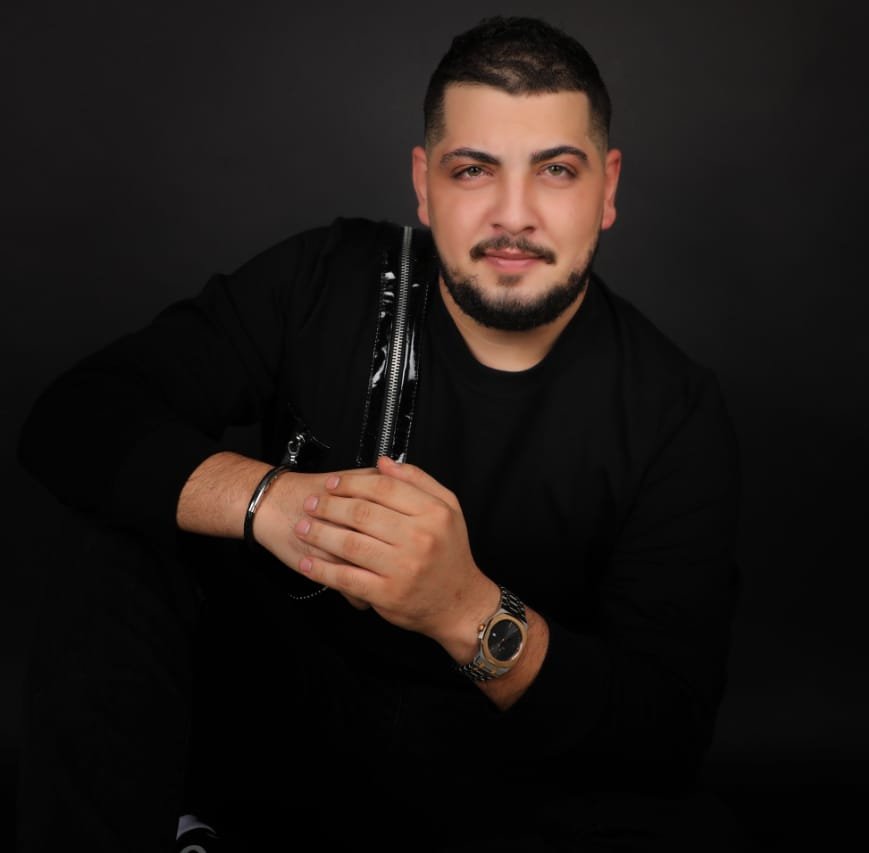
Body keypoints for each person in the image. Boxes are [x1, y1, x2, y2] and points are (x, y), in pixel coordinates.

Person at [15, 16, 743, 853]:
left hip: (498, 786)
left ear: (607, 188)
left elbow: (663, 732)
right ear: (424, 185)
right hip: (276, 735)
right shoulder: (325, 280)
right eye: (473, 170)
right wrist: (274, 502)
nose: (514, 215)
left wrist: (464, 608)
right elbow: (75, 415)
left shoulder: (673, 408)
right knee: (118, 521)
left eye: (556, 170)